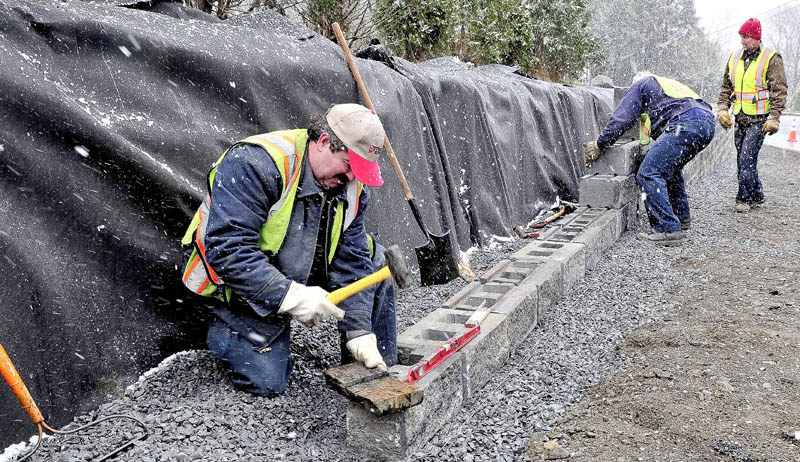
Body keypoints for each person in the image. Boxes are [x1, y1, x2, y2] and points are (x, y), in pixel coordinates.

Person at [180, 103, 397, 396]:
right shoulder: (255, 163)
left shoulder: (349, 186)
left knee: (376, 262)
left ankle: (370, 373)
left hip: (297, 265)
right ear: (323, 142)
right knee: (266, 381)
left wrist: (359, 330)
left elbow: (353, 258)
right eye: (348, 165)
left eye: (359, 171)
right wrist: (290, 297)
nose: (351, 179)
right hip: (238, 285)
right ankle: (231, 328)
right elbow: (228, 250)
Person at [584, 72, 715, 246]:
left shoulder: (640, 85)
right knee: (670, 168)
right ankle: (681, 216)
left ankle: (667, 229)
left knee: (648, 173)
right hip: (706, 125)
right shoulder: (665, 84)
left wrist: (600, 143)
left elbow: (622, 118)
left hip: (685, 124)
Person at [715, 17, 788, 213]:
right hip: (740, 117)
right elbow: (726, 87)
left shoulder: (771, 58)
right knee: (743, 157)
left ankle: (743, 198)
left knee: (746, 158)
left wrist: (774, 117)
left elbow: (779, 90)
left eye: (746, 37)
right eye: (741, 36)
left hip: (759, 119)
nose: (742, 41)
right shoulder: (734, 58)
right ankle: (757, 194)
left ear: (756, 38)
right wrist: (722, 109)